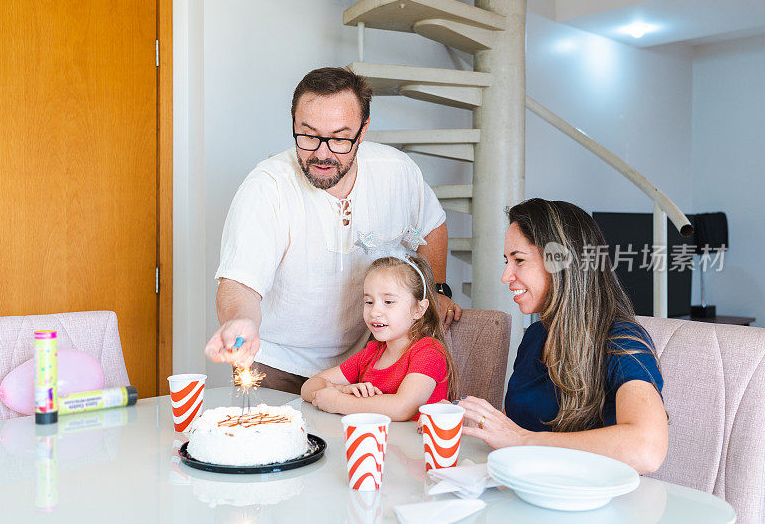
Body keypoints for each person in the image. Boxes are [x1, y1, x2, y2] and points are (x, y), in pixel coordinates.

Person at [204, 67, 462, 394]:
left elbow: (432, 225)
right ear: (293, 125)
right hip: (274, 364)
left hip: (363, 360)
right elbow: (239, 283)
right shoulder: (266, 187)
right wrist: (240, 322)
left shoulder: (396, 172)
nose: (322, 154)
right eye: (309, 135)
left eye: (340, 138)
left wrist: (435, 288)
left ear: (363, 131)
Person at [457, 198, 668, 474]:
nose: (505, 276)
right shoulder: (535, 337)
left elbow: (647, 449)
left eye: (519, 260)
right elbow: (516, 427)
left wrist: (524, 440)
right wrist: (473, 422)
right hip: (530, 488)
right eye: (506, 261)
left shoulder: (621, 342)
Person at [301, 255, 459, 421]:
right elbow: (308, 386)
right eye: (369, 302)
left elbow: (402, 408)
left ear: (419, 309)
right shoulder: (371, 353)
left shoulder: (429, 352)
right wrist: (338, 389)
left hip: (415, 446)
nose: (375, 312)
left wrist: (339, 402)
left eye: (388, 302)